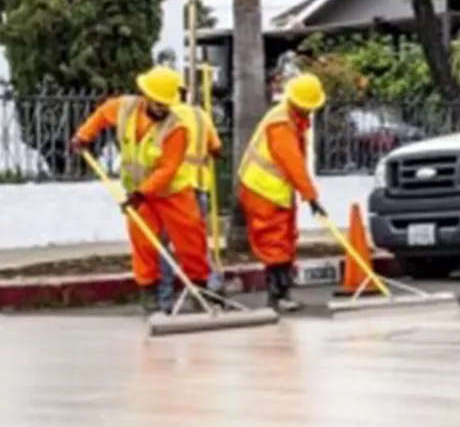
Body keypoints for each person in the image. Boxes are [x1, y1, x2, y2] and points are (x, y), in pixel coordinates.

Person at [71, 66, 211, 313]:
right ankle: (150, 297)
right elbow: (102, 114)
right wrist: (84, 136)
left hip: (172, 193)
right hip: (140, 195)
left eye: (166, 105)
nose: (162, 109)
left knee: (191, 241)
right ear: (146, 97)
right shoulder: (124, 108)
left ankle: (199, 289)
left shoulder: (177, 129)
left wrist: (141, 193)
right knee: (144, 244)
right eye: (158, 104)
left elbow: (167, 170)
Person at [237, 73, 327, 312]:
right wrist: (311, 196)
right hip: (262, 190)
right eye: (307, 107)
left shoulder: (291, 118)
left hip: (275, 189)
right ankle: (277, 296)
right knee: (274, 241)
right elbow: (292, 163)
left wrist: (307, 195)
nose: (310, 112)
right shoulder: (281, 124)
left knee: (285, 238)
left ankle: (282, 292)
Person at [157, 102, 224, 309]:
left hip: (170, 190)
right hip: (197, 186)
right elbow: (217, 148)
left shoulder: (161, 117)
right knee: (195, 242)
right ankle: (207, 288)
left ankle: (164, 298)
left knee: (164, 244)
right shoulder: (199, 115)